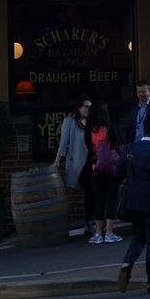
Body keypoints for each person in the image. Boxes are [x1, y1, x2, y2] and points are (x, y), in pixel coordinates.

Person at [115, 113, 150, 294]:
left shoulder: (130, 149)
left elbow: (118, 173)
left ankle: (127, 263)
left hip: (133, 201)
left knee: (138, 237)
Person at [51, 95, 95, 232]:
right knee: (91, 189)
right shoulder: (69, 122)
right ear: (79, 108)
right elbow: (64, 142)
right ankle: (89, 222)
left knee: (93, 191)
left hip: (92, 161)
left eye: (90, 107)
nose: (88, 109)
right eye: (85, 106)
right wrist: (57, 161)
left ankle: (90, 221)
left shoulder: (93, 122)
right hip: (78, 162)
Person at [88, 103, 124, 244]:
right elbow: (121, 146)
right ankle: (109, 232)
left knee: (99, 200)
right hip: (111, 168)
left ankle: (97, 233)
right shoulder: (111, 128)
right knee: (112, 199)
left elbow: (88, 149)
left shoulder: (89, 131)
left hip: (96, 168)